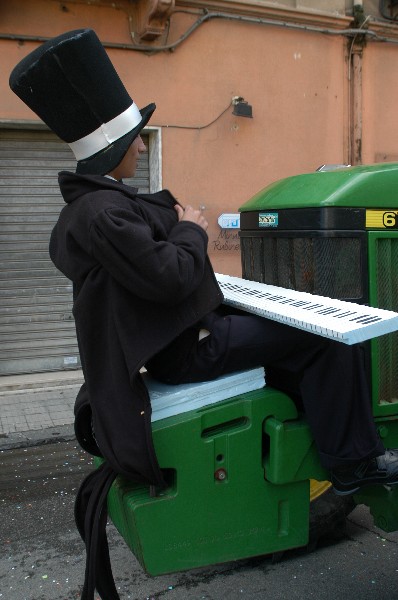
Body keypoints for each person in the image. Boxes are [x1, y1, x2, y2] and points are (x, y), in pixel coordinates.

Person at [9, 28, 398, 600]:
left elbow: (159, 271)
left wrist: (182, 231)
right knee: (330, 339)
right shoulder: (104, 213)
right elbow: (171, 277)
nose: (142, 147)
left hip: (183, 337)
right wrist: (192, 225)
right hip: (189, 346)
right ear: (119, 150)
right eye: (139, 140)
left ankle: (327, 439)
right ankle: (354, 463)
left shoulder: (98, 207)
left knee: (295, 339)